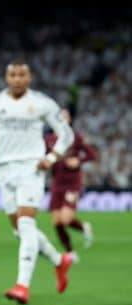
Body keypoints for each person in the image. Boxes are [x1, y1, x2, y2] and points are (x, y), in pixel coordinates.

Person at [0, 60, 75, 305]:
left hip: (32, 167)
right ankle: (60, 261)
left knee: (26, 223)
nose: (17, 78)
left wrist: (50, 158)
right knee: (20, 230)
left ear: (29, 78)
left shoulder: (42, 103)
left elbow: (66, 134)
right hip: (4, 169)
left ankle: (22, 285)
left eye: (22, 75)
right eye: (13, 74)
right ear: (7, 78)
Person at [46, 109, 96, 254]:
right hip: (57, 183)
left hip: (72, 183)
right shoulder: (48, 139)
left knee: (66, 219)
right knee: (57, 222)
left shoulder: (75, 137)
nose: (62, 119)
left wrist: (78, 160)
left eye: (65, 116)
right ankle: (70, 252)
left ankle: (83, 227)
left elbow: (91, 154)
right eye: (59, 117)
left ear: (69, 120)